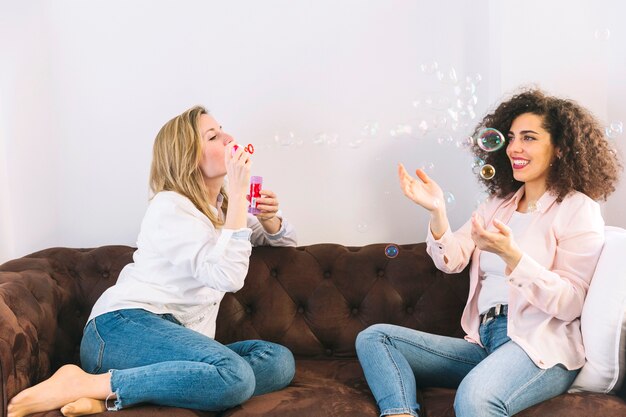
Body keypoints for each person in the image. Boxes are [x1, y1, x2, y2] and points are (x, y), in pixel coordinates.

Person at [8, 106, 298, 417]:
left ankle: (109, 393)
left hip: (175, 344)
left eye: (222, 129)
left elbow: (285, 242)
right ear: (186, 157)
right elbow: (227, 276)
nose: (228, 137)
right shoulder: (170, 208)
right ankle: (79, 383)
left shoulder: (224, 212)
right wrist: (241, 197)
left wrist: (268, 219)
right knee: (235, 378)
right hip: (121, 329)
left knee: (278, 361)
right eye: (213, 136)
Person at [356, 88, 622, 417]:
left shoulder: (578, 209)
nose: (514, 148)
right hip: (485, 340)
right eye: (510, 138)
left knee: (475, 397)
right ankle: (400, 413)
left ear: (560, 147)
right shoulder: (499, 204)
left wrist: (514, 257)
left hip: (539, 345)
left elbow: (570, 303)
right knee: (376, 338)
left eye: (529, 138)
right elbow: (451, 260)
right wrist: (438, 213)